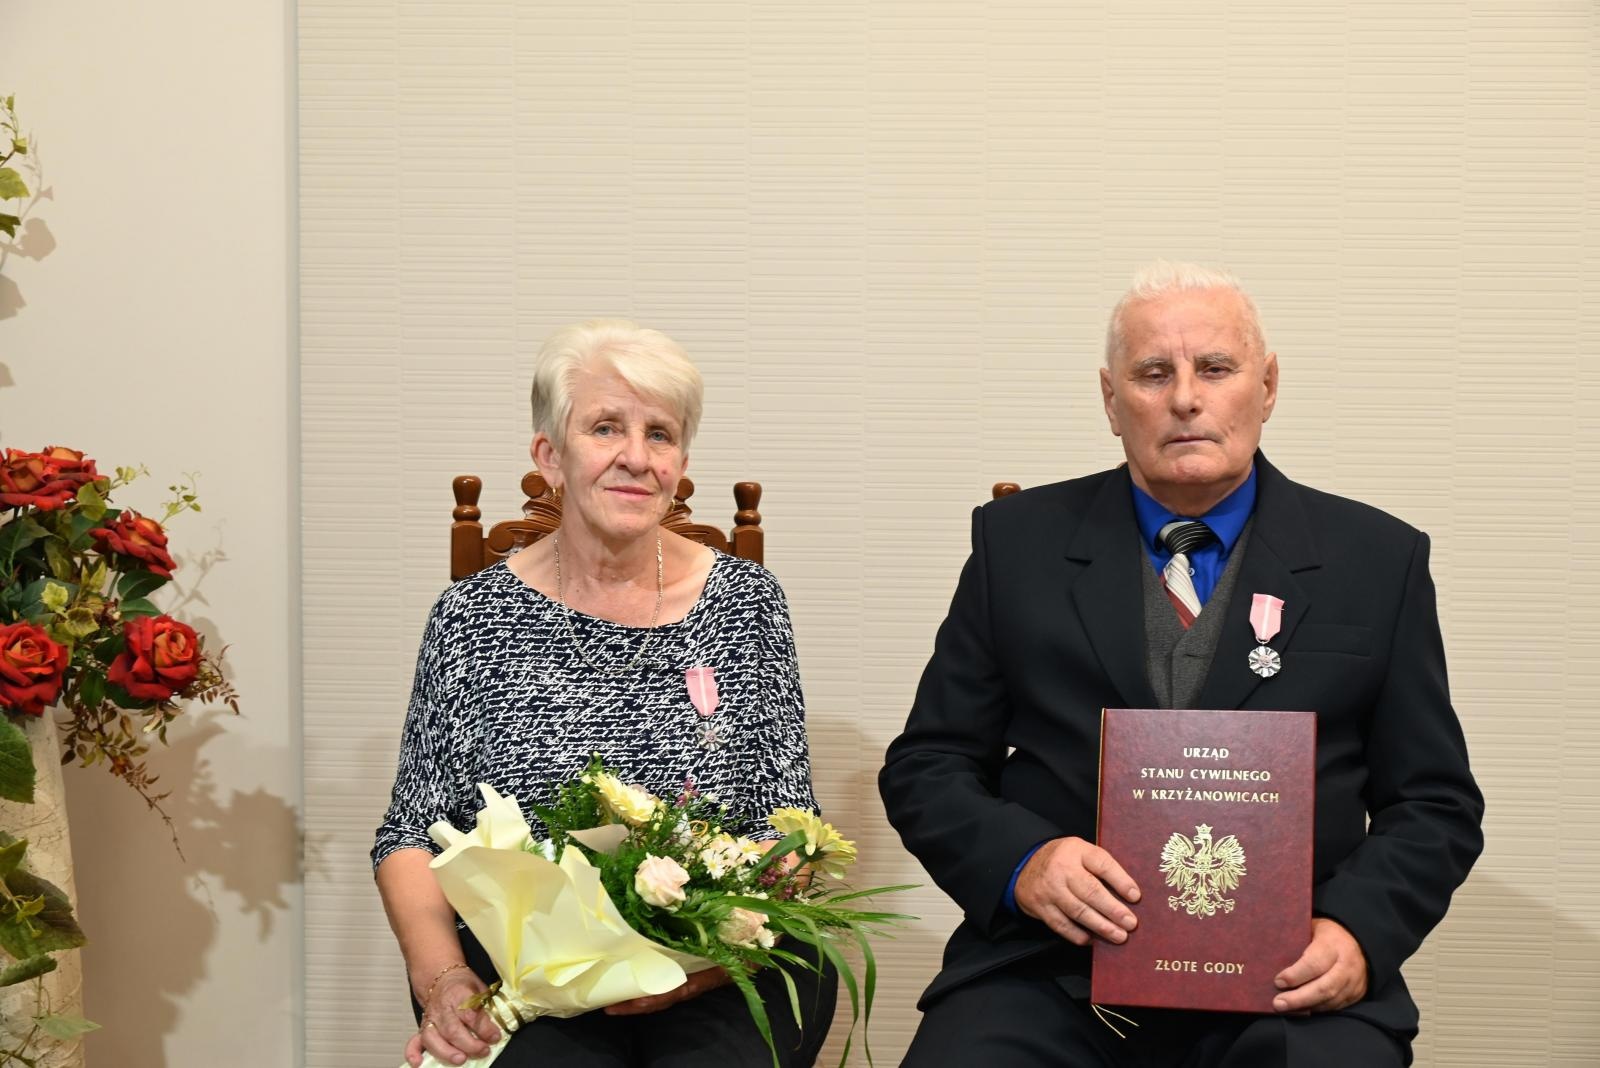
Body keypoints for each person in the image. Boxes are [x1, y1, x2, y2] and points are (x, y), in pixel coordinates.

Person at [879, 262, 1483, 1066]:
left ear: (1267, 387)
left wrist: (1357, 932)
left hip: (1289, 978)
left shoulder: (1377, 560)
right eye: (1154, 373)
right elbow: (929, 764)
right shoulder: (1014, 544)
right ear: (1110, 399)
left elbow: (1434, 803)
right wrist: (1024, 862)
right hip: (1054, 974)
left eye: (1217, 369)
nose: (1186, 398)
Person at [374, 319, 834, 1067]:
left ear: (682, 461)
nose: (636, 457)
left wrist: (688, 969)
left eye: (660, 434)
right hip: (536, 973)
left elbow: (790, 824)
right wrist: (445, 981)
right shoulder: (471, 618)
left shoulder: (747, 603)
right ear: (549, 456)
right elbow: (409, 834)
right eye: (605, 427)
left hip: (721, 967)